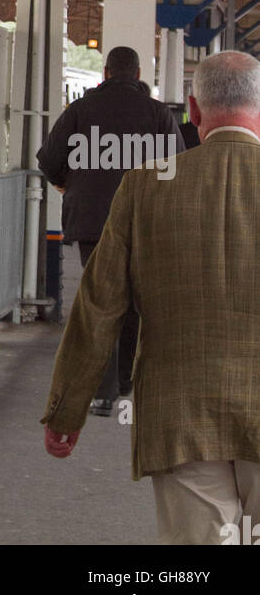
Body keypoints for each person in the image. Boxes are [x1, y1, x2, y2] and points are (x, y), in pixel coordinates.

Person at [41, 50, 260, 545]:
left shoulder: (144, 187)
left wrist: (67, 409)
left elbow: (98, 307)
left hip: (180, 415)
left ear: (194, 111)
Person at [37, 46, 184, 416]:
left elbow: (49, 159)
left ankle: (101, 393)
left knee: (100, 301)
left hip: (92, 221)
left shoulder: (80, 110)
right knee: (133, 301)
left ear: (105, 72)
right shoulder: (157, 113)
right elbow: (177, 166)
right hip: (142, 220)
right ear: (137, 74)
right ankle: (125, 380)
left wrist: (68, 183)